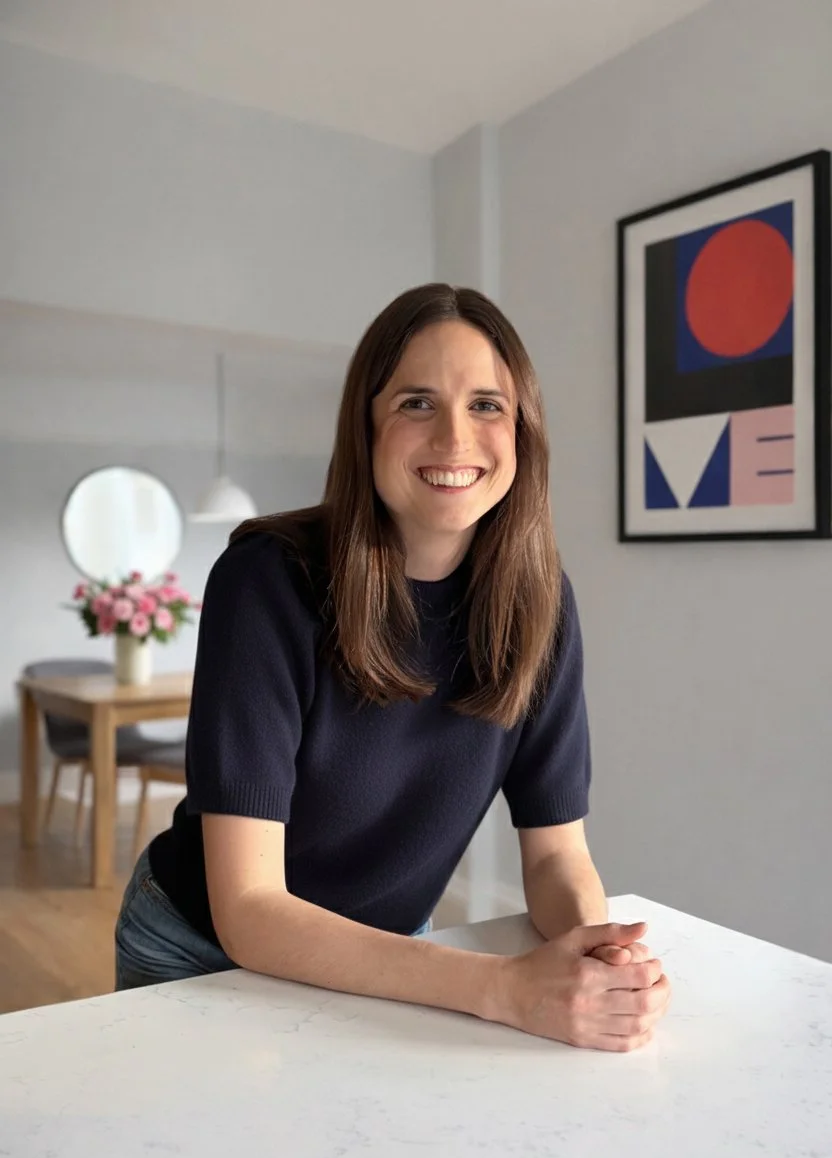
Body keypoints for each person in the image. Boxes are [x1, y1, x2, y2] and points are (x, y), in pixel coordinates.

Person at [115, 283, 671, 1052]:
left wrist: (598, 956)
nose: (454, 437)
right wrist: (503, 989)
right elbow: (247, 908)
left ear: (523, 430)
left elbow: (556, 853)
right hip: (202, 951)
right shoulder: (267, 581)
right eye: (417, 402)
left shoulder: (539, 602)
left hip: (383, 955)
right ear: (366, 425)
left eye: (486, 405)